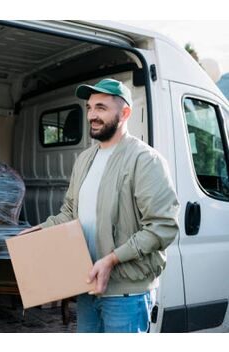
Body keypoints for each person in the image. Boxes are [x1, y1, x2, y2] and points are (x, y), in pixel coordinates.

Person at [17, 78, 180, 333]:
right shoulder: (84, 159)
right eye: (90, 108)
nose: (92, 115)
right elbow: (69, 213)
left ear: (124, 113)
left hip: (126, 293)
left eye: (101, 108)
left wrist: (112, 260)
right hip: (88, 285)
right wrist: (36, 233)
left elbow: (162, 227)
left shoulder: (145, 160)